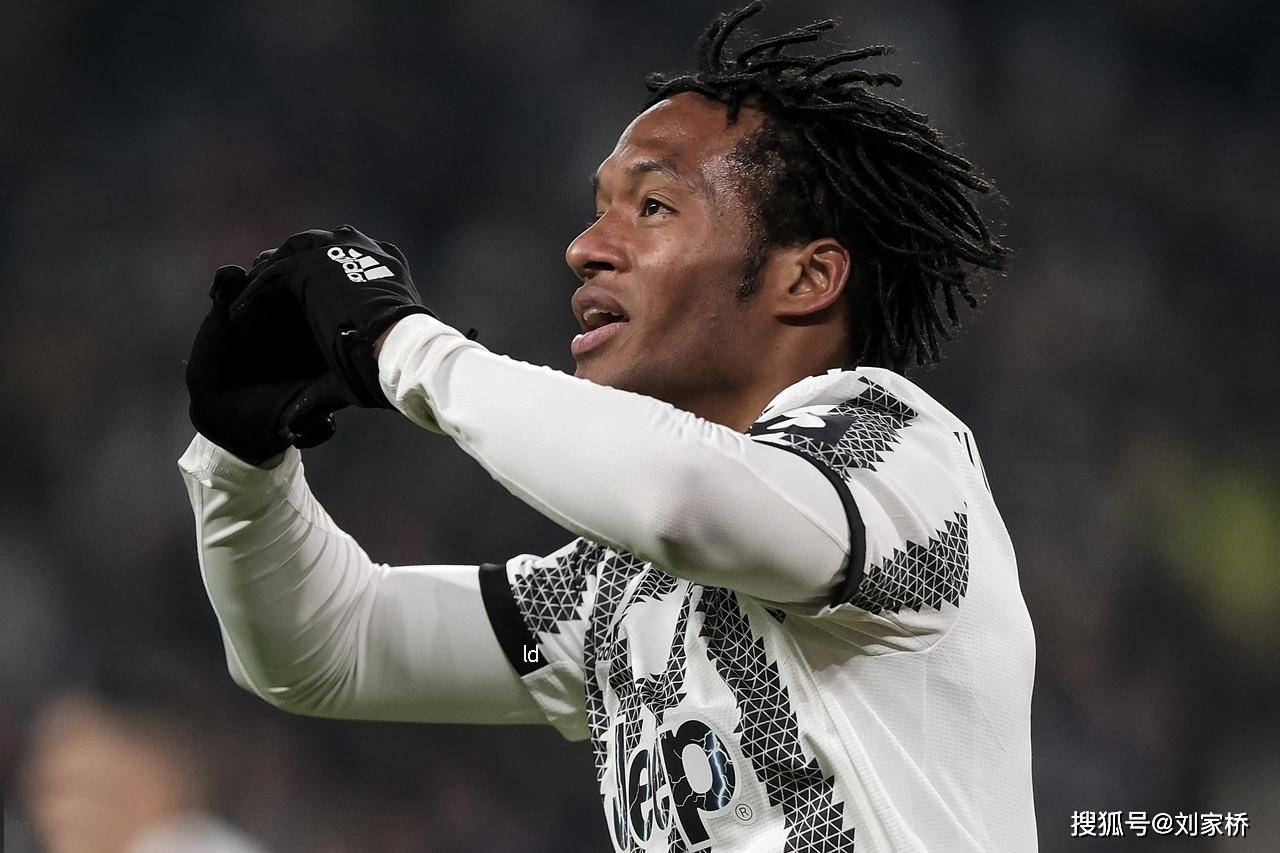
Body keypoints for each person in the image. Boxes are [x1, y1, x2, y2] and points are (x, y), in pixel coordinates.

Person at [178, 3, 1036, 850]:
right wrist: (241, 459)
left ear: (807, 278)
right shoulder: (620, 595)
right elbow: (331, 645)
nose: (585, 246)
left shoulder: (902, 463)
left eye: (653, 206)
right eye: (599, 207)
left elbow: (683, 499)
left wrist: (399, 343)